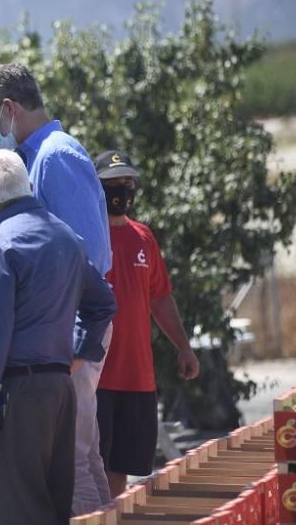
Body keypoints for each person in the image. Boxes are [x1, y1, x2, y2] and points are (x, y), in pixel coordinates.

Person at [0, 63, 114, 515]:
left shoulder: (55, 156)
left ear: (10, 109)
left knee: (70, 460)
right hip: (60, 331)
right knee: (79, 455)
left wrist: (73, 341)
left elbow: (86, 253)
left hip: (62, 333)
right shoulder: (41, 155)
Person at [93, 150, 200, 497]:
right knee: (91, 465)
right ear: (96, 187)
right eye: (113, 184)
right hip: (94, 376)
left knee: (122, 467)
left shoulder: (143, 237)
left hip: (137, 377)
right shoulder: (85, 236)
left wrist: (183, 347)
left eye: (128, 183)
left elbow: (160, 297)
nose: (122, 191)